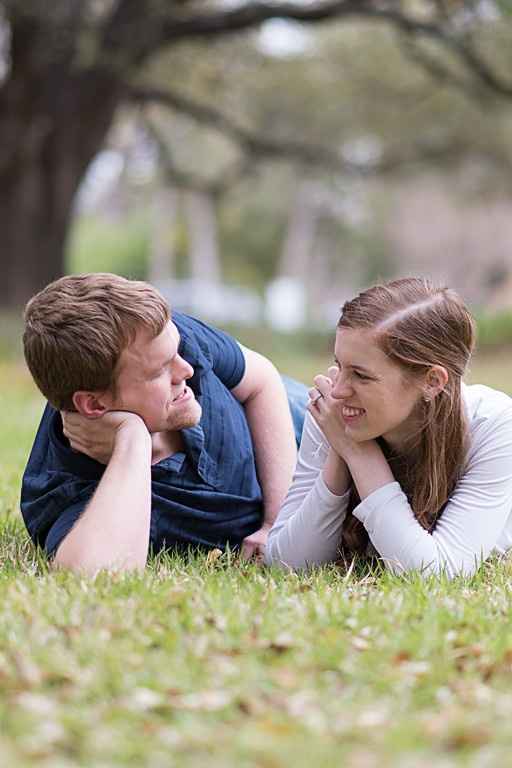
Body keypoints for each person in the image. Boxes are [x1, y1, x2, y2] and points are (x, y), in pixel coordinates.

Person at [21, 273, 307, 575]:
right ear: (93, 404)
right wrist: (133, 439)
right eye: (159, 371)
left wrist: (277, 525)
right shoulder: (65, 488)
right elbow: (95, 575)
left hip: (294, 416)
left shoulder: (155, 335)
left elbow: (262, 379)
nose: (185, 370)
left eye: (178, 352)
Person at [265, 277, 512, 579]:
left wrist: (358, 453)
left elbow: (437, 575)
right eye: (339, 366)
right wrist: (340, 454)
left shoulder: (493, 426)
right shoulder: (339, 411)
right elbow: (286, 562)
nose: (339, 390)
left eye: (361, 375)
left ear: (432, 382)